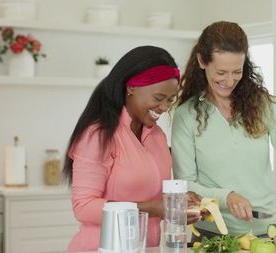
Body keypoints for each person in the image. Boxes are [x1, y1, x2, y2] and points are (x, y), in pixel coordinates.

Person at [171, 21, 276, 237]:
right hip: (210, 235)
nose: (229, 81)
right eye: (221, 72)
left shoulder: (264, 106)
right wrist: (226, 196)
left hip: (263, 233)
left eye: (237, 71)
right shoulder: (187, 115)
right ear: (201, 60)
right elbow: (186, 183)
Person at [62, 46, 201, 252]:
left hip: (148, 248)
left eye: (170, 100)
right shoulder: (98, 136)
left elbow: (153, 193)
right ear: (131, 87)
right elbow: (83, 207)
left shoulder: (158, 137)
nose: (164, 108)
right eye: (158, 98)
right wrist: (152, 208)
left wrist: (179, 203)